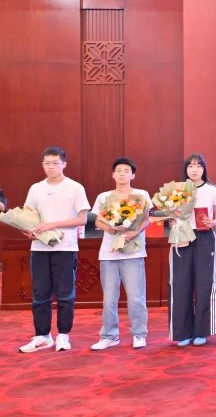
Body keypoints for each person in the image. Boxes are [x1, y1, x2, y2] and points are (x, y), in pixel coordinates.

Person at [18, 146, 90, 353]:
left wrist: (52, 224)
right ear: (42, 165)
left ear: (64, 164)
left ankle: (63, 335)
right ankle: (42, 336)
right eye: (46, 163)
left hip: (65, 248)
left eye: (55, 163)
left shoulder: (75, 187)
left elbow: (82, 219)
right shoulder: (36, 188)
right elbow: (27, 216)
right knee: (40, 293)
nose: (50, 167)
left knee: (65, 294)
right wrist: (28, 230)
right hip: (39, 248)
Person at [91, 157, 152, 350]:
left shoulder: (141, 195)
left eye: (126, 171)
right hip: (108, 253)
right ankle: (109, 336)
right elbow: (97, 221)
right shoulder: (104, 197)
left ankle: (139, 334)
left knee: (136, 296)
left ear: (133, 175)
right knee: (109, 298)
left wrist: (135, 232)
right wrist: (107, 227)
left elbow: (147, 220)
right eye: (118, 170)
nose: (122, 174)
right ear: (113, 175)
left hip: (133, 252)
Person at [169, 153, 216, 347]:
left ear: (204, 169)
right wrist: (172, 220)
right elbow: (170, 214)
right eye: (191, 166)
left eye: (198, 166)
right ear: (185, 169)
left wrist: (213, 222)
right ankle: (183, 332)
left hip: (205, 238)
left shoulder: (213, 190)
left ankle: (202, 331)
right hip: (181, 237)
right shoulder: (176, 190)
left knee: (205, 284)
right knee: (180, 284)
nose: (194, 169)